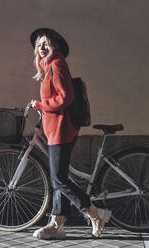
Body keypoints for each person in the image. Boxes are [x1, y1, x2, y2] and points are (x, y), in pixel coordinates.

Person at [30, 28, 111, 239]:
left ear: (55, 46)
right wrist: (43, 109)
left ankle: (95, 214)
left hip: (61, 129)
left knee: (58, 179)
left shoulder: (57, 64)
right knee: (60, 176)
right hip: (53, 127)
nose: (42, 47)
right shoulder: (47, 66)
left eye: (46, 43)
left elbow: (66, 98)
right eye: (39, 45)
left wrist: (40, 104)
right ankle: (57, 225)